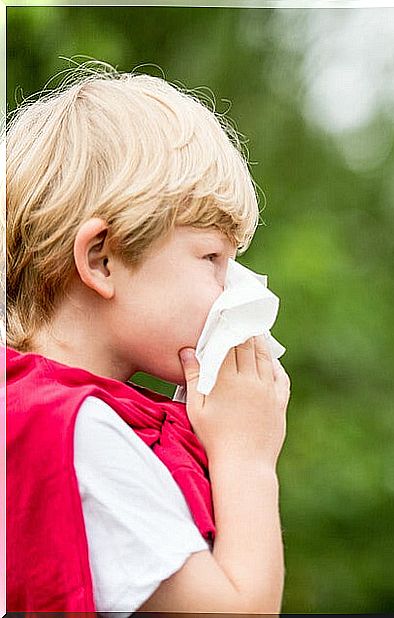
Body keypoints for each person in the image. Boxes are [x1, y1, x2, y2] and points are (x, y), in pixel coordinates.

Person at [5, 65, 291, 614]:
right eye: (212, 258)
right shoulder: (75, 434)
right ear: (102, 259)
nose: (234, 288)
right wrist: (246, 456)